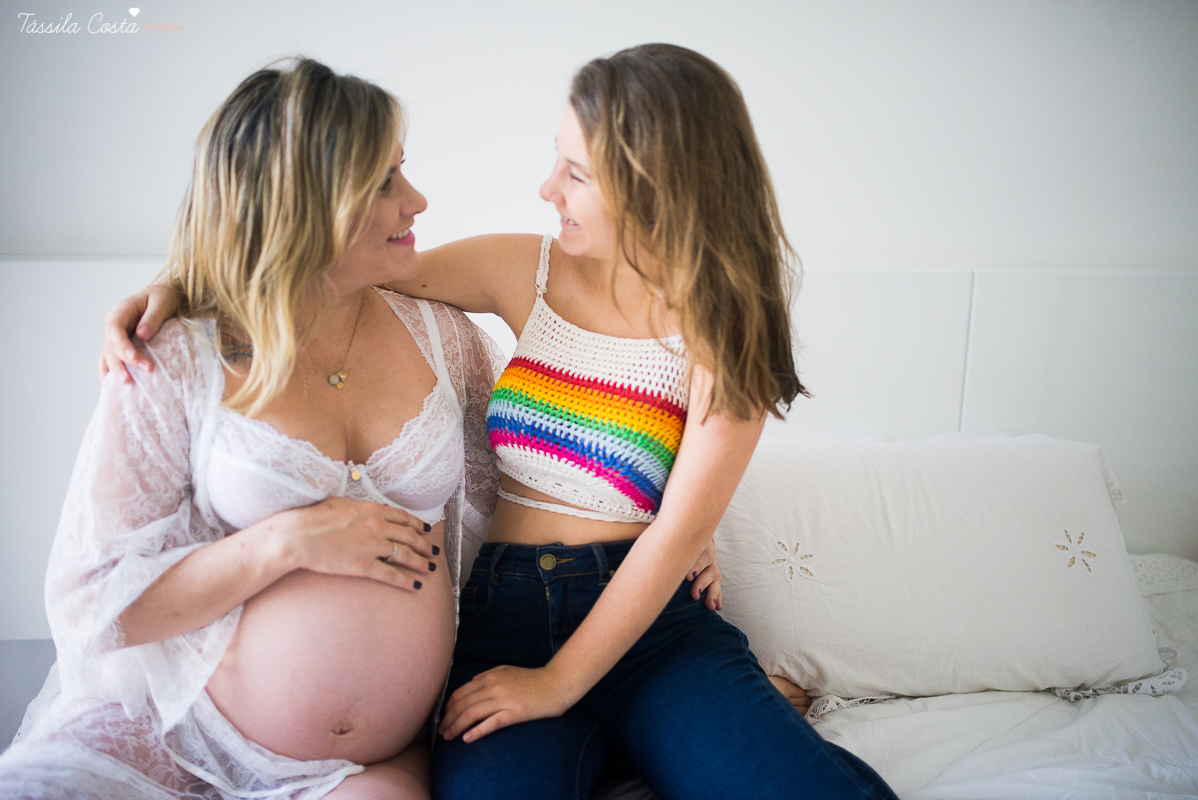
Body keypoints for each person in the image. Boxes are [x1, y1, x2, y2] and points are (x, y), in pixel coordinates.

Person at [101, 45, 893, 800]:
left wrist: (559, 685)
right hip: (500, 624)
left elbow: (673, 538)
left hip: (654, 631)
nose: (547, 188)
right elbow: (332, 262)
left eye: (575, 173)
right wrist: (184, 289)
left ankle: (722, 718)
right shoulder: (528, 269)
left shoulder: (724, 336)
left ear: (659, 187)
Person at [0, 59, 507, 800]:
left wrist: (674, 538)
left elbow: (535, 490)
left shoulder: (444, 339)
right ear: (300, 204)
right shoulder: (174, 353)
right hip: (178, 732)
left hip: (363, 771)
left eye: (404, 170)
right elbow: (88, 599)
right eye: (382, 183)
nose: (417, 200)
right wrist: (281, 543)